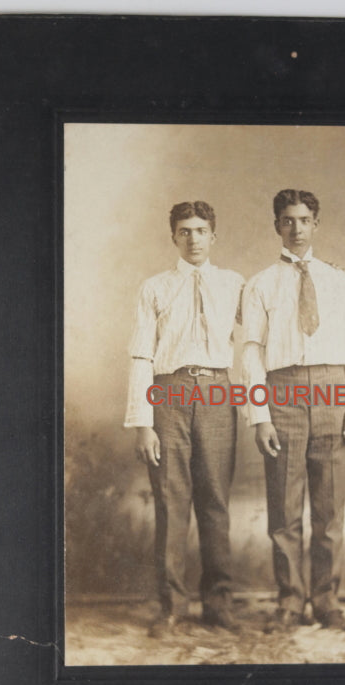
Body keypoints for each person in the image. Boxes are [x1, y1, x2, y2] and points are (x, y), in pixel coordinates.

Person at [241, 189, 345, 632]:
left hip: (333, 387)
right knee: (285, 509)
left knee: (330, 509)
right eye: (288, 221)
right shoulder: (259, 284)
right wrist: (259, 415)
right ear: (276, 225)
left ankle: (326, 601)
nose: (296, 229)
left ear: (316, 224)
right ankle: (290, 602)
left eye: (304, 220)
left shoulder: (338, 280)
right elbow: (251, 353)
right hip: (283, 391)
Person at [124, 200, 244, 635]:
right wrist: (142, 421)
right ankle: (172, 606)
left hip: (217, 391)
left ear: (214, 235)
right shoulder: (154, 288)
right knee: (171, 503)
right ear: (173, 237)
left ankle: (219, 605)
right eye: (184, 231)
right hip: (168, 394)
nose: (193, 238)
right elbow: (141, 354)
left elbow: (272, 324)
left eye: (201, 230)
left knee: (215, 501)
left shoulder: (236, 284)